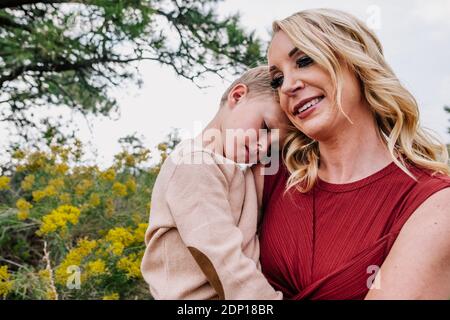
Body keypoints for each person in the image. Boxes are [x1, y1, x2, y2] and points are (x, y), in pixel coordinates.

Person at [260, 8, 450, 299]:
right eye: (277, 79)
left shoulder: (433, 203)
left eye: (304, 61)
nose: (287, 86)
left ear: (353, 60)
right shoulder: (272, 175)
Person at [140, 66, 288, 299]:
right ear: (237, 96)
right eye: (265, 128)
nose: (264, 147)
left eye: (274, 146)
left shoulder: (237, 172)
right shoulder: (193, 164)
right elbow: (219, 256)